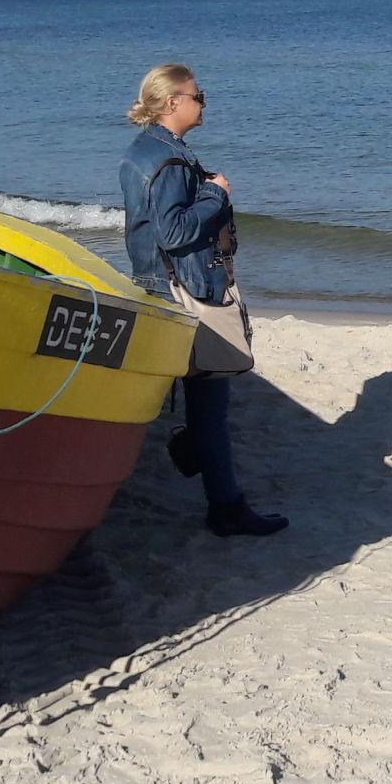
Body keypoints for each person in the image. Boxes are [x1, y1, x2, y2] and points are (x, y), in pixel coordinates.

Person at [119, 63, 288, 537]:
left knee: (198, 393)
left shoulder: (151, 151)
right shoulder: (167, 160)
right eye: (197, 95)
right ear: (172, 101)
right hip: (188, 290)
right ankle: (226, 506)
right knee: (211, 397)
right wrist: (215, 194)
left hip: (164, 283)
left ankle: (212, 480)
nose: (204, 102)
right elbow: (172, 232)